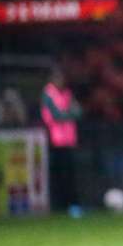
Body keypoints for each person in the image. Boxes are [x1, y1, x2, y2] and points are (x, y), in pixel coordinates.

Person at [41, 67, 83, 218]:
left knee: (70, 175)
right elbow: (56, 116)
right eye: (58, 78)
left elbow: (79, 112)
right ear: (52, 79)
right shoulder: (48, 94)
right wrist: (69, 113)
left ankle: (73, 206)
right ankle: (58, 206)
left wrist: (68, 114)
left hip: (69, 141)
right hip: (54, 141)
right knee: (57, 175)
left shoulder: (67, 93)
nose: (61, 81)